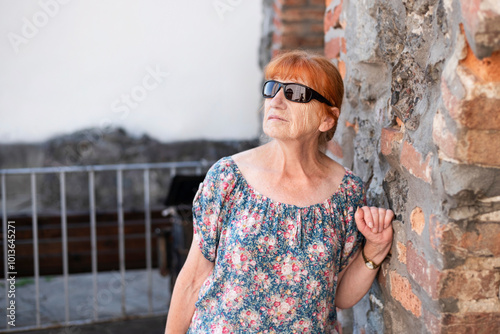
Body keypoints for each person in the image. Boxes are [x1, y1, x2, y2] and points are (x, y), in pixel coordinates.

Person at [165, 50, 394, 333]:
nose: (275, 101)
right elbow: (191, 281)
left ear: (327, 119)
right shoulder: (228, 178)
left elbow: (339, 296)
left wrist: (374, 249)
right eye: (272, 88)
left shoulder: (346, 193)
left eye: (296, 93)